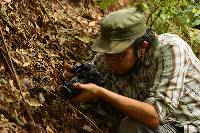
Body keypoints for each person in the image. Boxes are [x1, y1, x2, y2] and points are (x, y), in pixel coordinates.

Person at [63, 8, 200, 133]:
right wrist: (77, 77)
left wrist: (101, 93)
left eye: (119, 55)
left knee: (131, 127)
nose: (110, 60)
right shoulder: (111, 53)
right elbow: (93, 72)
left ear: (142, 47)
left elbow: (155, 115)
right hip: (158, 121)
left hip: (189, 123)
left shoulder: (171, 49)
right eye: (107, 53)